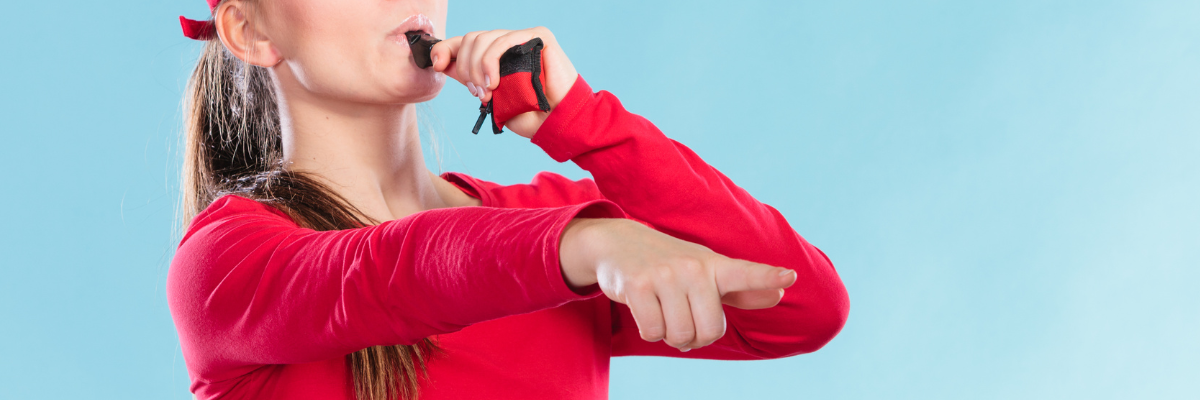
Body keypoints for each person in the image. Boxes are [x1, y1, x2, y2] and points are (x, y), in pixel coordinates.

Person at [167, 0, 850, 399]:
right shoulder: (223, 265)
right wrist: (582, 244)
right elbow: (384, 275)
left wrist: (584, 121)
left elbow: (799, 308)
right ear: (250, 32)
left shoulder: (550, 227)